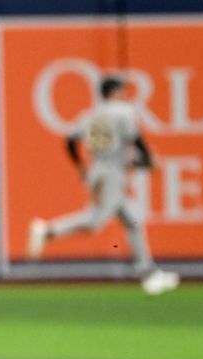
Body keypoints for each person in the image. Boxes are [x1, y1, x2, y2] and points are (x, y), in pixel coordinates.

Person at [27, 76, 179, 296]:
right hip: (111, 175)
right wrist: (147, 157)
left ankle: (148, 274)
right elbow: (136, 138)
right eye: (121, 90)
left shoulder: (90, 114)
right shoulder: (122, 111)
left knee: (133, 219)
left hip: (100, 169)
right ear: (114, 92)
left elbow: (70, 141)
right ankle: (47, 230)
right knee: (95, 221)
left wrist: (80, 166)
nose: (124, 94)